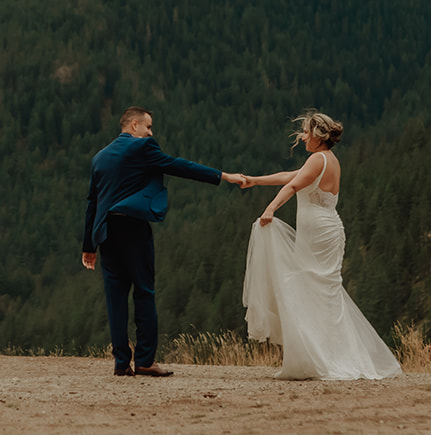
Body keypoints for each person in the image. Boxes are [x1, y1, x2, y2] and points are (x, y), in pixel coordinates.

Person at [82, 106, 245, 376]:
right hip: (133, 229)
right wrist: (223, 175)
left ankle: (121, 363)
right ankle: (145, 361)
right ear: (134, 126)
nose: (151, 132)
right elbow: (180, 165)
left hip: (106, 233)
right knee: (144, 291)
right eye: (148, 127)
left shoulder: (99, 157)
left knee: (115, 298)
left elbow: (92, 203)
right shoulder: (142, 148)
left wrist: (89, 246)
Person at [240, 110, 401, 380]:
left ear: (317, 135)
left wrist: (270, 209)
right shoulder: (328, 160)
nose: (302, 137)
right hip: (327, 231)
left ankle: (320, 358)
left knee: (311, 290)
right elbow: (287, 176)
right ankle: (326, 355)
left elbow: (291, 187)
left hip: (319, 234)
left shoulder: (317, 159)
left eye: (306, 132)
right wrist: (255, 180)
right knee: (323, 294)